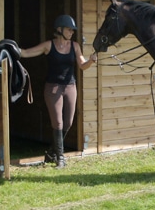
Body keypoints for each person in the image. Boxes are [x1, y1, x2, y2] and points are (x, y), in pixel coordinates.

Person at [19, 14, 97, 167]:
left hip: (70, 86)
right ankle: (60, 158)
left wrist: (91, 61)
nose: (72, 32)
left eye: (72, 30)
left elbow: (82, 65)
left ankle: (51, 152)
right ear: (60, 29)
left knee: (68, 123)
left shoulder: (75, 46)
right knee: (58, 123)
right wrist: (13, 48)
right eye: (69, 29)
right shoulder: (49, 45)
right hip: (53, 88)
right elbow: (27, 53)